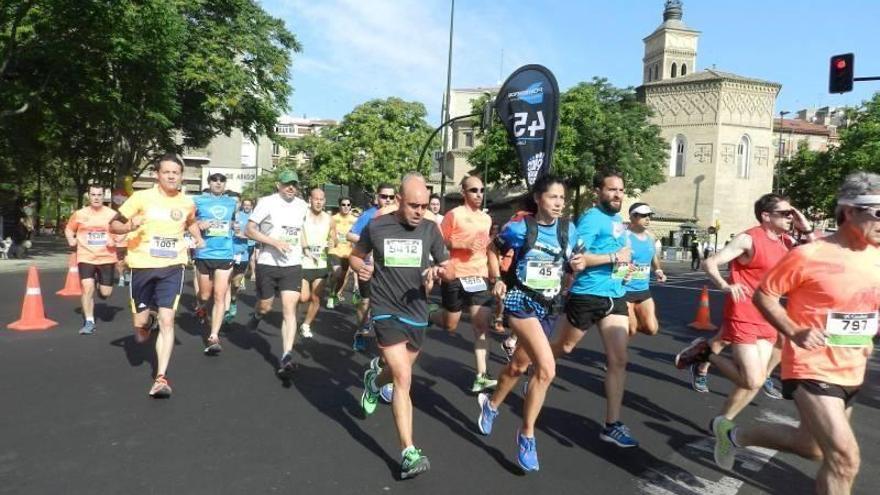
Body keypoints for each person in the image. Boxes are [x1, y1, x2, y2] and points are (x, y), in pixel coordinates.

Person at [709, 172, 880, 495]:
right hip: (811, 366)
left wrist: (869, 334)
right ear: (849, 211)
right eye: (879, 212)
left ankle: (734, 436)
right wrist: (794, 329)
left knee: (813, 448)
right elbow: (764, 295)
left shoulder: (877, 256)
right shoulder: (809, 255)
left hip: (851, 367)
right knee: (845, 459)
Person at [476, 175, 582, 472]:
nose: (559, 203)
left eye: (562, 198)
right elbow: (492, 249)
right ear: (538, 199)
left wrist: (577, 265)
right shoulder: (520, 228)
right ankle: (527, 435)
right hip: (521, 303)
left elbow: (575, 259)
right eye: (553, 197)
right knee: (546, 369)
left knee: (518, 367)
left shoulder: (568, 230)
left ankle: (492, 405)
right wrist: (497, 280)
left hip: (549, 308)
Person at [675, 194, 813, 418]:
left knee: (757, 378)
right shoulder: (748, 239)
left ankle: (723, 418)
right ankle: (705, 353)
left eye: (792, 213)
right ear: (766, 216)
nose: (791, 217)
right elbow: (710, 262)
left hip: (769, 315)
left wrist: (805, 227)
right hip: (743, 313)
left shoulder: (785, 241)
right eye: (786, 214)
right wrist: (724, 285)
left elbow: (816, 255)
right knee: (752, 380)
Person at [352, 173, 451, 480]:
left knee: (396, 372)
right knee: (404, 377)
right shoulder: (377, 226)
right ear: (398, 199)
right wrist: (362, 269)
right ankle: (409, 452)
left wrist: (439, 270)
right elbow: (355, 257)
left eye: (423, 205)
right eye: (413, 205)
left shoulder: (431, 229)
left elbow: (448, 267)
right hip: (384, 309)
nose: (420, 211)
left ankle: (372, 381)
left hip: (417, 311)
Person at [551, 170, 640, 448]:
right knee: (564, 348)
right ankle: (535, 364)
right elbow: (577, 258)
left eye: (621, 190)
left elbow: (622, 255)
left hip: (615, 296)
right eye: (611, 190)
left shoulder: (617, 221)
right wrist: (614, 257)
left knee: (619, 359)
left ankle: (611, 424)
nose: (617, 195)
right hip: (588, 294)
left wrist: (626, 269)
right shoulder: (591, 218)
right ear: (599, 192)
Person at [110, 153, 204, 398]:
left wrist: (198, 237)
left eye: (176, 173)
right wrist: (131, 225)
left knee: (168, 320)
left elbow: (191, 220)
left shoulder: (186, 202)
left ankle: (161, 377)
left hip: (173, 266)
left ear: (181, 176)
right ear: (157, 174)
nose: (172, 176)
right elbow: (114, 225)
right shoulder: (141, 198)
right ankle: (146, 323)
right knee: (140, 331)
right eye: (167, 172)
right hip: (142, 265)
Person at [432, 175, 497, 392]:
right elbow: (440, 242)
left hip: (479, 275)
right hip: (455, 274)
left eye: (481, 190)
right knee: (450, 325)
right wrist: (463, 243)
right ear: (464, 193)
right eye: (473, 190)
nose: (479, 194)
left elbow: (487, 248)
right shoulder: (454, 215)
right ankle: (431, 314)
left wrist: (495, 274)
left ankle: (481, 374)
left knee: (481, 325)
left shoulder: (486, 219)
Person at [245, 170, 309, 379]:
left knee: (290, 309)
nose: (291, 188)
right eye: (287, 184)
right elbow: (249, 230)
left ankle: (286, 355)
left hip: (292, 264)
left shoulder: (302, 205)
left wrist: (307, 248)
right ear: (278, 185)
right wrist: (274, 243)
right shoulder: (267, 202)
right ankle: (257, 315)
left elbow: (301, 231)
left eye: (294, 184)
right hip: (268, 262)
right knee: (266, 305)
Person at [347, 184, 397, 352]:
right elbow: (350, 234)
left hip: (389, 270)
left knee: (390, 305)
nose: (388, 200)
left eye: (391, 197)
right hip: (368, 267)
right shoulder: (369, 215)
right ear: (377, 197)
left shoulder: (398, 215)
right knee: (365, 302)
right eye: (384, 196)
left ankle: (387, 343)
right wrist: (367, 242)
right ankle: (360, 332)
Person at [65, 184, 119, 335]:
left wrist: (114, 240)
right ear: (88, 196)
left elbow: (122, 231)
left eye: (99, 195)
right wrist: (71, 239)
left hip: (106, 257)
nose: (96, 198)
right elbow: (69, 229)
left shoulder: (112, 214)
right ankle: (89, 321)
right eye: (93, 195)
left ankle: (100, 287)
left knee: (106, 293)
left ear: (104, 196)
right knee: (87, 288)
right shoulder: (79, 214)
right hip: (86, 256)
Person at [193, 173, 237, 354]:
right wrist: (198, 224)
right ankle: (202, 308)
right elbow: (187, 222)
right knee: (204, 295)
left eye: (221, 181)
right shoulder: (198, 200)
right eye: (214, 180)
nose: (218, 183)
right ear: (209, 183)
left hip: (225, 253)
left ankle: (213, 336)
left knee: (219, 296)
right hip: (204, 253)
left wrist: (234, 226)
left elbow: (235, 221)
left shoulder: (232, 202)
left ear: (225, 184)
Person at [624, 203, 667, 337]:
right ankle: (617, 348)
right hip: (624, 290)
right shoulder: (624, 237)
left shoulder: (650, 237)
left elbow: (653, 256)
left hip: (643, 289)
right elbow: (615, 260)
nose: (648, 219)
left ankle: (629, 323)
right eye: (643, 216)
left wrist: (658, 270)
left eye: (649, 215)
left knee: (651, 329)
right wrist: (624, 272)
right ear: (632, 217)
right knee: (630, 329)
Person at [299, 187, 337, 338]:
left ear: (325, 201)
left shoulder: (329, 219)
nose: (319, 202)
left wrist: (332, 242)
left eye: (321, 199)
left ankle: (306, 324)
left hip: (320, 263)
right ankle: (293, 316)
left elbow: (334, 239)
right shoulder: (302, 216)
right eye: (316, 199)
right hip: (303, 262)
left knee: (316, 297)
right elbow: (298, 233)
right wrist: (305, 248)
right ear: (310, 200)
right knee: (303, 297)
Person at [327, 197, 357, 308]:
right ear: (339, 206)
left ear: (351, 206)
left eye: (348, 205)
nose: (346, 207)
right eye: (343, 205)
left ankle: (336, 294)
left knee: (342, 277)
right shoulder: (332, 219)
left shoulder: (355, 220)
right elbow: (326, 232)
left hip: (348, 252)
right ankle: (331, 294)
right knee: (337, 272)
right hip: (335, 250)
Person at [227, 196, 253, 321]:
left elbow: (257, 236)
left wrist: (244, 236)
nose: (246, 206)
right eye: (244, 204)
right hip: (228, 253)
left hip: (243, 253)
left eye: (249, 204)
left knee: (235, 283)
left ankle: (232, 299)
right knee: (224, 280)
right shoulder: (234, 216)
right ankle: (225, 306)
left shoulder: (254, 218)